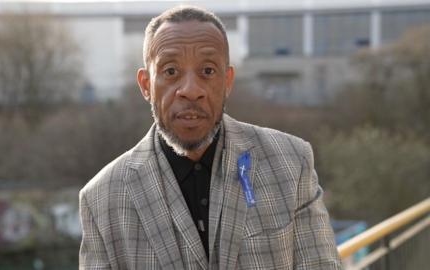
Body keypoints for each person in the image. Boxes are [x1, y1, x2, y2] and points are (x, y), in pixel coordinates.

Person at [79, 5, 342, 270]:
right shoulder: (102, 198)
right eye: (171, 71)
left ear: (227, 81)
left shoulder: (291, 163)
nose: (191, 91)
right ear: (146, 85)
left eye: (207, 71)